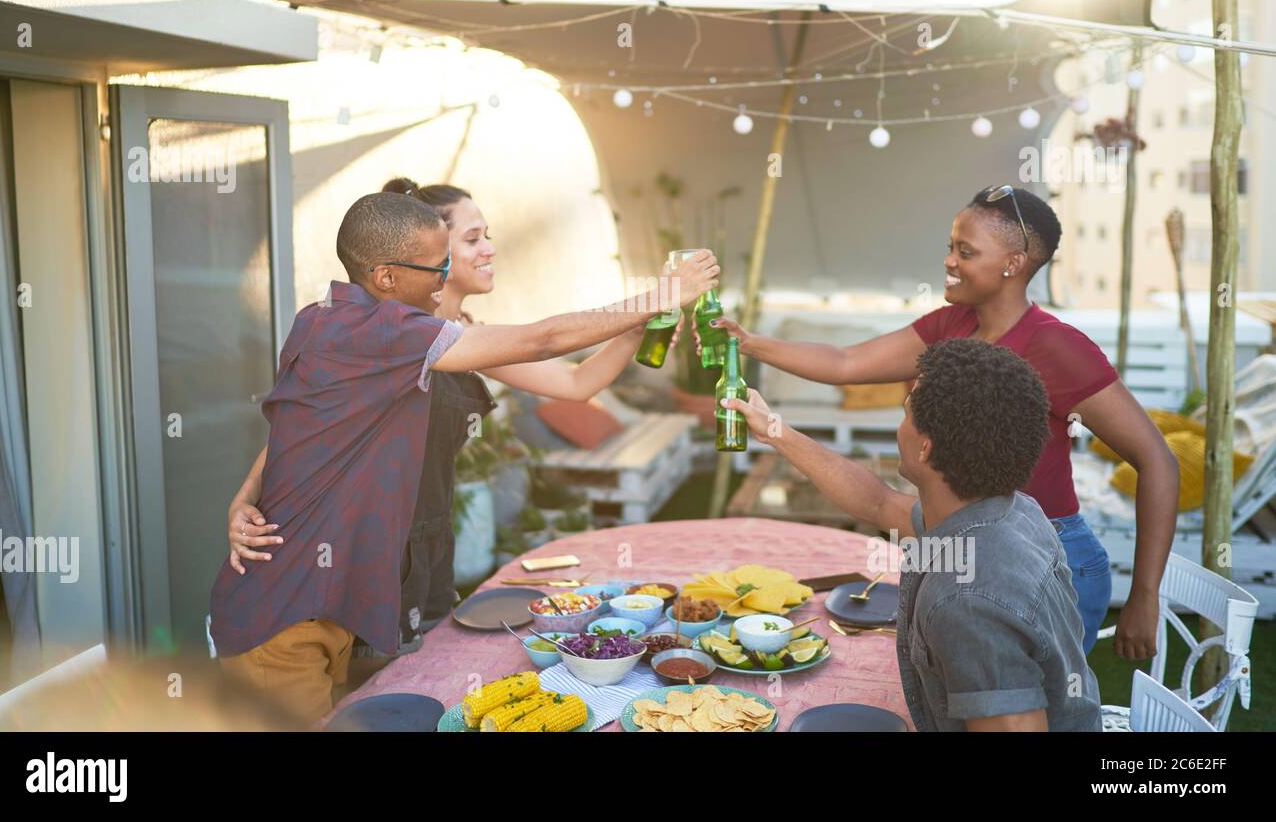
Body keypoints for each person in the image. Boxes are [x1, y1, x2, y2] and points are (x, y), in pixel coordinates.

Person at [209, 191, 718, 722]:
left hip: (352, 595)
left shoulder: (350, 321)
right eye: (444, 259)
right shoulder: (380, 330)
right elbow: (543, 339)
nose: (450, 270)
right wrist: (658, 295)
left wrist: (633, 325)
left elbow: (301, 425)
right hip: (291, 603)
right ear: (386, 275)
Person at [706, 186, 1178, 658]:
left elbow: (1156, 459)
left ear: (1013, 263)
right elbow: (846, 362)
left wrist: (1144, 595)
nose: (949, 261)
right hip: (962, 539)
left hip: (1047, 556)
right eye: (950, 247)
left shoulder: (1056, 348)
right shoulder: (953, 323)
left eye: (965, 251)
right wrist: (747, 343)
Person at [723, 338, 1102, 731]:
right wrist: (773, 431)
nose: (899, 425)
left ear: (924, 447)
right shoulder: (1007, 511)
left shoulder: (968, 602)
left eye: (906, 414)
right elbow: (877, 503)